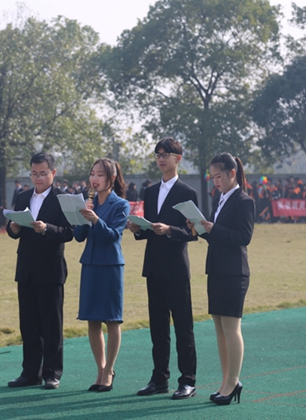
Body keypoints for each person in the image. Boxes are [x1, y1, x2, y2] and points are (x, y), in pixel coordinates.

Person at [128, 137, 198, 400]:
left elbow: (193, 233)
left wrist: (170, 230)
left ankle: (188, 380)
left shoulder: (188, 193)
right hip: (154, 266)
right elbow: (149, 229)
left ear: (177, 159)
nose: (160, 158)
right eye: (157, 154)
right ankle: (159, 379)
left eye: (165, 154)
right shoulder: (150, 191)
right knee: (158, 327)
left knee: (183, 326)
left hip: (177, 268)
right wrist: (138, 229)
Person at [188, 153, 255, 406]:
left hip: (234, 272)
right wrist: (200, 228)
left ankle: (233, 381)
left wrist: (213, 229)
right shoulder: (219, 198)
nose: (215, 181)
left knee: (231, 328)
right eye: (212, 177)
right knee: (219, 328)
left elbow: (243, 236)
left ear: (232, 173)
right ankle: (226, 381)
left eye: (219, 176)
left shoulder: (244, 201)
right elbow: (216, 234)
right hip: (215, 269)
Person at [6, 152, 73, 390]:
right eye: (34, 173)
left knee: (52, 324)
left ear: (53, 173)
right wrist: (13, 227)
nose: (38, 178)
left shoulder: (63, 198)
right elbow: (14, 230)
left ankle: (52, 373)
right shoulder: (23, 196)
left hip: (51, 268)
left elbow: (69, 232)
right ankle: (30, 372)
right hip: (25, 268)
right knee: (29, 324)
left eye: (43, 173)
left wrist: (47, 228)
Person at [74, 158, 130, 393]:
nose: (94, 179)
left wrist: (96, 219)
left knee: (112, 320)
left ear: (112, 178)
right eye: (92, 174)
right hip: (90, 264)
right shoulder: (89, 202)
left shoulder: (121, 205)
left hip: (110, 265)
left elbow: (113, 236)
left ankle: (109, 371)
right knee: (92, 320)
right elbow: (78, 236)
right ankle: (100, 369)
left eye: (100, 175)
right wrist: (81, 216)